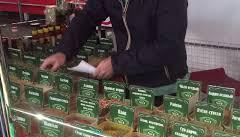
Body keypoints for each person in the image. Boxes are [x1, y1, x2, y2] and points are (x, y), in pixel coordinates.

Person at [41, 0, 188, 106]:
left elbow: (169, 46)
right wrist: (63, 51)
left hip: (165, 87)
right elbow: (87, 17)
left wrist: (116, 63)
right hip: (128, 79)